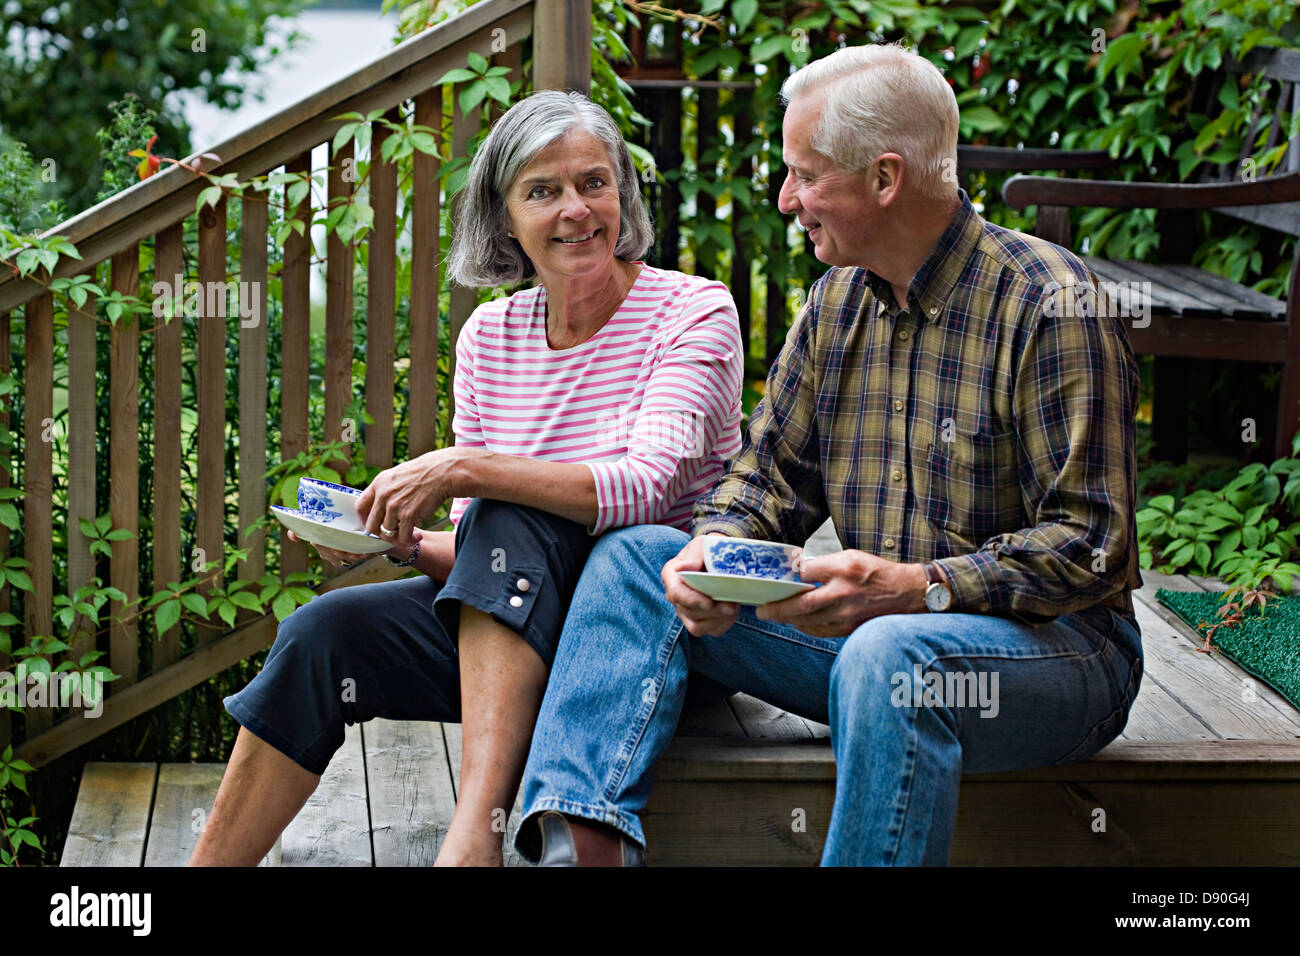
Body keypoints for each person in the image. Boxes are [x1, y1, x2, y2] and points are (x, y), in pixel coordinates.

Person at [512, 43, 1144, 866]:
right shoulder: (835, 302)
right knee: (638, 558)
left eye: (804, 176)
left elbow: (1092, 546)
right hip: (869, 648)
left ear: (885, 180)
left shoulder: (1052, 304)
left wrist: (922, 589)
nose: (785, 199)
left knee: (892, 655)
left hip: (1054, 661)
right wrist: (714, 547)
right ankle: (578, 851)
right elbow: (767, 476)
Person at [188, 90, 743, 867]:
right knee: (323, 633)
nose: (576, 210)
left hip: (646, 645)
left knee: (519, 509)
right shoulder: (491, 335)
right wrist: (405, 544)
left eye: (594, 182)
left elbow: (646, 487)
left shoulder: (690, 313)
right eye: (542, 191)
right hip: (520, 632)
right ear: (505, 219)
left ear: (624, 193)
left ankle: (470, 840)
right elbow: (489, 554)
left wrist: (465, 468)